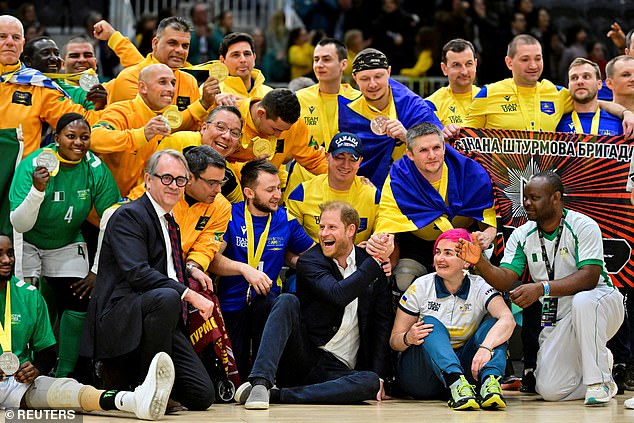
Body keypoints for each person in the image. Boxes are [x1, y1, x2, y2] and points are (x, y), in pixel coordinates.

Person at [456, 171, 625, 405]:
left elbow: (588, 278)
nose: (526, 203)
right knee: (550, 391)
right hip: (558, 315)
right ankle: (598, 368)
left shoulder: (583, 225)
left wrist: (541, 289)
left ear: (556, 198)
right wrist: (481, 263)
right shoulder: (522, 235)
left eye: (534, 198)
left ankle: (600, 381)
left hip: (601, 303)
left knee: (583, 302)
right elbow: (505, 279)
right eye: (525, 197)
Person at [82, 149, 216, 411]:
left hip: (159, 316)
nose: (174, 185)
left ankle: (153, 384)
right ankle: (146, 387)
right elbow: (138, 272)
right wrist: (188, 294)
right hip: (122, 315)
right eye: (166, 178)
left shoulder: (169, 220)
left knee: (202, 396)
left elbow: (165, 266)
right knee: (168, 297)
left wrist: (190, 270)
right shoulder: (129, 215)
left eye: (180, 180)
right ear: (148, 179)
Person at [234, 201, 394, 409]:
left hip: (339, 369)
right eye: (321, 227)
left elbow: (382, 322)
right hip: (304, 356)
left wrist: (380, 374)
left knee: (370, 382)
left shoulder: (369, 264)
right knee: (286, 300)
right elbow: (337, 294)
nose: (324, 234)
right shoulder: (311, 260)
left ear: (351, 230)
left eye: (331, 227)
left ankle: (279, 396)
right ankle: (260, 383)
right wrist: (375, 262)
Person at [0, 233, 175, 420]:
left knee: (65, 391)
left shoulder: (29, 296)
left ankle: (133, 401)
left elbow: (47, 352)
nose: (7, 260)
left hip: (19, 383)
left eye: (10, 253)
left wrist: (35, 369)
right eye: (0, 254)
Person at [9, 113, 120, 378]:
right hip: (28, 242)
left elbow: (111, 220)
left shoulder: (94, 168)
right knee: (28, 302)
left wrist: (96, 270)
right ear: (56, 138)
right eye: (71, 136)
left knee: (80, 298)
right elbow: (19, 224)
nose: (79, 143)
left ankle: (64, 374)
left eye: (84, 137)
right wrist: (37, 190)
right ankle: (27, 367)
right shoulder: (33, 165)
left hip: (67, 241)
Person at [210, 159, 314, 380]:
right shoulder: (229, 215)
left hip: (266, 303)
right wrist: (245, 269)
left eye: (279, 188)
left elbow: (313, 256)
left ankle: (265, 382)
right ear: (248, 192)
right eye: (270, 190)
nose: (277, 194)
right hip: (230, 304)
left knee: (270, 306)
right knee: (233, 377)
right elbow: (212, 259)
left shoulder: (285, 218)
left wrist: (294, 259)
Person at [391, 228, 514, 410]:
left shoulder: (479, 286)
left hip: (468, 372)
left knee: (495, 325)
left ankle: (490, 384)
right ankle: (455, 382)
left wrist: (486, 347)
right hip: (423, 377)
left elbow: (508, 319)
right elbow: (394, 341)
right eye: (437, 252)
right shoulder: (421, 286)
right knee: (430, 323)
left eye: (448, 253)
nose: (440, 259)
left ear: (466, 262)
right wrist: (408, 338)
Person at [374, 122, 496, 291]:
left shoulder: (470, 171)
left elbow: (489, 221)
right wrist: (382, 241)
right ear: (410, 154)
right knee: (403, 279)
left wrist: (487, 236)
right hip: (419, 243)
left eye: (436, 148)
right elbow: (387, 219)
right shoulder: (399, 177)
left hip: (463, 244)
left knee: (484, 280)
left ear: (444, 148)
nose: (432, 155)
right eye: (423, 150)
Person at [463, 34, 633, 134]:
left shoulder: (557, 93)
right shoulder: (488, 94)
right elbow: (466, 139)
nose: (533, 65)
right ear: (509, 63)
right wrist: (453, 130)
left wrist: (626, 113)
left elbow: (593, 102)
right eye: (525, 59)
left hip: (543, 187)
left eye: (538, 58)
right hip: (501, 187)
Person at [338, 48, 442, 187]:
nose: (373, 84)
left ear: (388, 72)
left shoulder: (412, 104)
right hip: (364, 188)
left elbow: (440, 146)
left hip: (412, 186)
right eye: (365, 79)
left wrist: (408, 136)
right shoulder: (347, 112)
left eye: (378, 76)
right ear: (355, 77)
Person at [90, 63, 191, 198]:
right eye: (162, 82)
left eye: (173, 83)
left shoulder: (169, 118)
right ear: (142, 87)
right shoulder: (121, 110)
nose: (171, 89)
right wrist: (142, 134)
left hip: (138, 207)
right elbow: (94, 138)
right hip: (100, 209)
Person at [286, 38, 361, 198]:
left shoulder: (359, 101)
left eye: (326, 59)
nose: (319, 65)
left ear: (343, 64)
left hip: (344, 189)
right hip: (302, 192)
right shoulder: (298, 100)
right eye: (316, 60)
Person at [104, 16, 219, 114]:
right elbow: (154, 128)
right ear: (155, 43)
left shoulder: (189, 82)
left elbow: (199, 126)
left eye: (185, 46)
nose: (180, 50)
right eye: (172, 43)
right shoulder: (130, 78)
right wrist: (202, 105)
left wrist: (215, 104)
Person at [287, 132, 380, 243]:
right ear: (327, 157)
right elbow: (288, 240)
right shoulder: (302, 193)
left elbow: (386, 236)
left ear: (360, 161)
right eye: (339, 157)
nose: (345, 165)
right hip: (312, 257)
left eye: (352, 159)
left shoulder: (373, 195)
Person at [227, 88, 327, 183]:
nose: (279, 135)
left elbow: (316, 159)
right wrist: (247, 168)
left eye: (284, 130)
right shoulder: (228, 112)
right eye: (275, 129)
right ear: (261, 113)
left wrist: (340, 173)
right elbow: (214, 158)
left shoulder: (295, 126)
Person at [158, 105, 245, 203]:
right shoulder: (179, 141)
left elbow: (239, 209)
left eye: (234, 133)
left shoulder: (228, 176)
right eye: (220, 127)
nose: (227, 136)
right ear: (204, 128)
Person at [556, 58, 622, 136]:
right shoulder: (556, 123)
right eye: (574, 78)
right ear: (568, 85)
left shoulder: (619, 123)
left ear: (599, 84)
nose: (579, 81)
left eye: (586, 77)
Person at [425, 39, 481, 126]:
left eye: (469, 64)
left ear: (475, 65)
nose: (464, 72)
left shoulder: (489, 99)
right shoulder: (431, 105)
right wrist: (443, 135)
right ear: (444, 69)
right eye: (456, 65)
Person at [218, 32, 272, 101]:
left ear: (254, 57)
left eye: (247, 54)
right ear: (222, 61)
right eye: (236, 55)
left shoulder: (268, 95)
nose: (243, 60)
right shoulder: (213, 93)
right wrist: (205, 103)